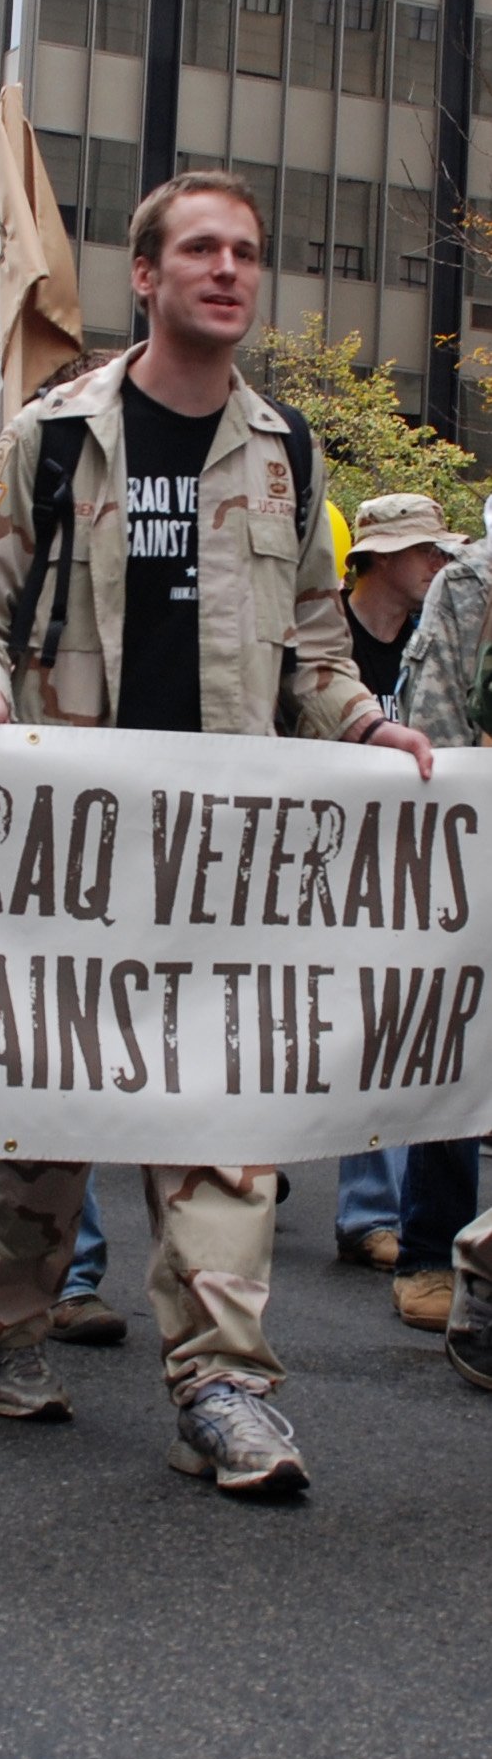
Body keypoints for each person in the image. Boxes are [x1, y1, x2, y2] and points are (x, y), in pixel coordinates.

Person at [0, 169, 433, 1497]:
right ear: (143, 276)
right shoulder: (49, 437)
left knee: (222, 1110)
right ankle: (5, 1321)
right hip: (70, 848)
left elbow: (313, 655)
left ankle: (223, 1384)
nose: (226, 269)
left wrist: (362, 727)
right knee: (43, 1121)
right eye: (198, 249)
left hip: (224, 855)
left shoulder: (286, 455)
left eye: (245, 253)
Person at [325, 493, 463, 1275]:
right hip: (327, 859)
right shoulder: (328, 642)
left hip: (404, 862)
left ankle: (374, 1208)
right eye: (422, 551)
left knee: (393, 1023)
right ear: (375, 557)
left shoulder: (430, 639)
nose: (435, 565)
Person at [392, 522, 492, 1361]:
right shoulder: (470, 585)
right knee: (455, 1042)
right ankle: (434, 1250)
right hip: (480, 844)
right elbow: (438, 722)